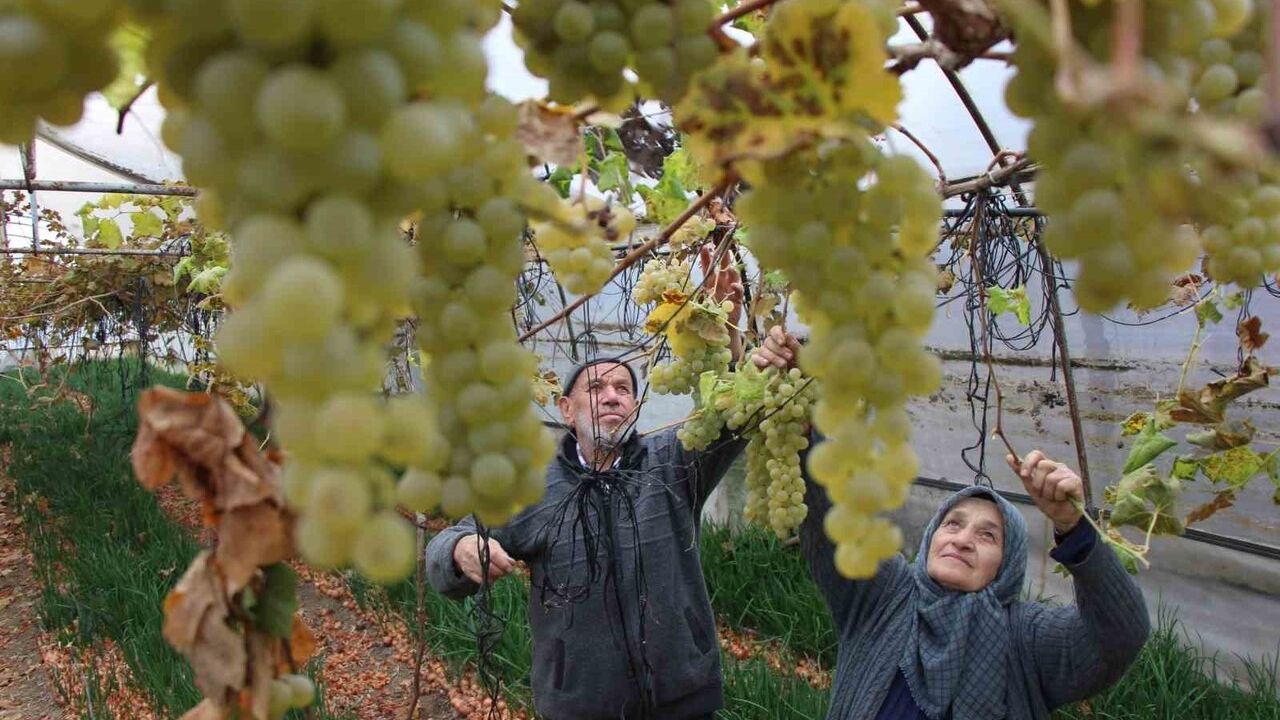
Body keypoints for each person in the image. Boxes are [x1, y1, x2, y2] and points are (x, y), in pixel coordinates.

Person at [426, 267, 778, 719]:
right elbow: (443, 551)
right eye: (596, 387)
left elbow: (731, 413)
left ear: (634, 406)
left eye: (623, 388)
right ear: (566, 410)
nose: (612, 396)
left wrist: (727, 338)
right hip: (581, 707)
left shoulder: (673, 463)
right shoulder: (533, 490)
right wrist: (459, 550)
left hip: (683, 700)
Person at [754, 330, 1152, 720]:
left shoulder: (1027, 640)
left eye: (987, 535)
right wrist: (804, 408)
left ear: (1007, 564)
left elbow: (1121, 635)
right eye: (952, 523)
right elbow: (836, 517)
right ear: (930, 537)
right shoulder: (885, 598)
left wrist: (1073, 527)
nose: (962, 540)